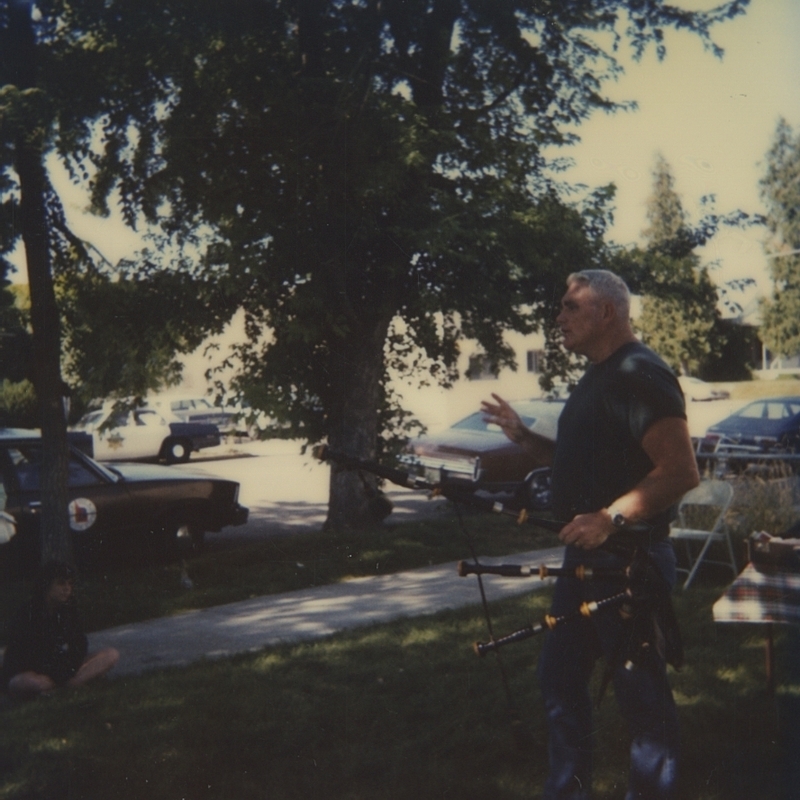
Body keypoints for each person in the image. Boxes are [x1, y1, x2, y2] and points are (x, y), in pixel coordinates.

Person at [482, 269, 700, 800]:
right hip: (584, 564)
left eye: (569, 307)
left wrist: (610, 518)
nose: (558, 318)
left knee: (642, 700)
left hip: (628, 563)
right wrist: (522, 435)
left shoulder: (640, 374)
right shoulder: (597, 376)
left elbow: (680, 472)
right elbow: (570, 463)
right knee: (558, 679)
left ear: (607, 312)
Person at [1, 560, 119, 699]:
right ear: (47, 585)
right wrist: (58, 672)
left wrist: (70, 669)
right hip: (31, 671)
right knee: (29, 682)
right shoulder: (28, 613)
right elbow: (27, 655)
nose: (67, 588)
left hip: (62, 669)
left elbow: (79, 644)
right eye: (61, 583)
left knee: (111, 654)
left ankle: (69, 684)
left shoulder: (68, 610)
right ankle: (69, 684)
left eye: (70, 584)